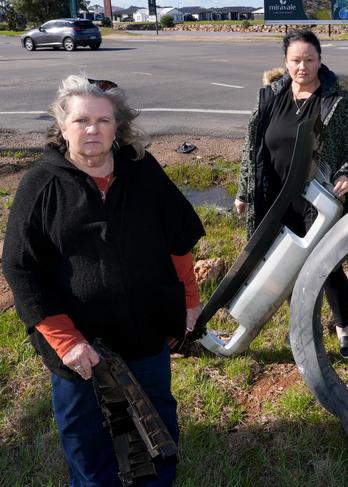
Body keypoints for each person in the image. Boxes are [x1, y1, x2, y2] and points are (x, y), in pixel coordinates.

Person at [2, 75, 205, 486]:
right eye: (80, 121)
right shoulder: (41, 185)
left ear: (118, 126)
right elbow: (21, 268)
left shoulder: (142, 170)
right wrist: (66, 342)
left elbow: (178, 239)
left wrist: (189, 301)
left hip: (145, 335)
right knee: (89, 448)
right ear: (62, 127)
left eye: (102, 120)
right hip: (79, 349)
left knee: (158, 435)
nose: (92, 129)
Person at [234, 29, 348, 359]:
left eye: (309, 59)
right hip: (275, 197)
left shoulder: (337, 100)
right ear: (285, 62)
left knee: (328, 267)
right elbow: (252, 148)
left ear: (320, 60)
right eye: (296, 60)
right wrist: (244, 192)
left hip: (317, 199)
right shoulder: (269, 97)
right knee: (288, 268)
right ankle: (304, 329)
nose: (302, 67)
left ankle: (342, 327)